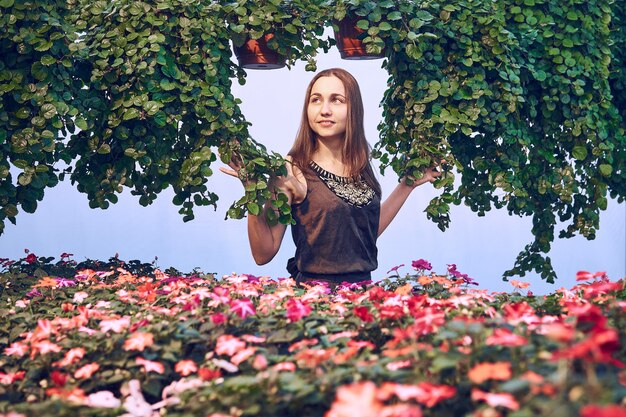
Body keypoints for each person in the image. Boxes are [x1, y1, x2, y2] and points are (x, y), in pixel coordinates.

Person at [220, 68, 440, 287]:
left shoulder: (360, 164)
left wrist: (406, 186)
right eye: (316, 100)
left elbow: (363, 233)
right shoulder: (291, 169)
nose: (324, 110)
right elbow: (263, 253)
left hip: (363, 297)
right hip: (318, 304)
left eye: (336, 100)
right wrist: (251, 190)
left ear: (353, 108)